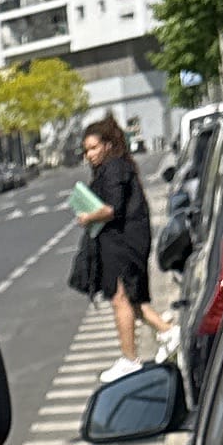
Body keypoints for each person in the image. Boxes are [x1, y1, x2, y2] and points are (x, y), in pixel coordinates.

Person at [68, 114, 155, 365]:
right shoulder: (112, 167)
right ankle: (167, 331)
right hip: (121, 240)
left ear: (107, 145)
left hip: (123, 242)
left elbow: (111, 209)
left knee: (120, 299)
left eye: (94, 148)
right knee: (130, 300)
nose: (90, 155)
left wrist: (87, 217)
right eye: (86, 151)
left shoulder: (114, 168)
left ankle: (129, 359)